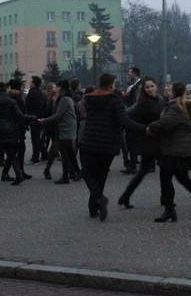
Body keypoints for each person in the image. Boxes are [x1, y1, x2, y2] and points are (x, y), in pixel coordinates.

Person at [146, 81, 191, 222]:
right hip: (184, 149)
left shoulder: (175, 108)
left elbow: (165, 123)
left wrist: (150, 128)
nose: (168, 92)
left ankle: (169, 210)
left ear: (173, 92)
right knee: (184, 179)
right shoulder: (187, 105)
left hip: (174, 149)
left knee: (166, 179)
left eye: (170, 90)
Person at [78, 72, 146, 221]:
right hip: (108, 143)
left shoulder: (89, 100)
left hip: (90, 141)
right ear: (110, 85)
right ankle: (95, 206)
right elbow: (125, 121)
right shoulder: (115, 101)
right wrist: (144, 128)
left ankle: (98, 201)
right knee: (101, 175)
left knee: (88, 173)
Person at [117, 77, 164, 208]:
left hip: (159, 140)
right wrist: (142, 129)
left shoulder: (160, 100)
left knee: (163, 170)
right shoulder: (142, 103)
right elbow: (127, 114)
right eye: (147, 87)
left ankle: (126, 196)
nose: (149, 89)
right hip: (148, 141)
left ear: (156, 86)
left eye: (151, 86)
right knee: (144, 171)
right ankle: (126, 195)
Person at [38, 79, 80, 184]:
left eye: (57, 87)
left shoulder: (64, 99)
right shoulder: (64, 98)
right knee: (69, 152)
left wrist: (44, 121)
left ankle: (66, 176)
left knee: (65, 152)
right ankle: (77, 172)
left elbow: (58, 115)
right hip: (65, 127)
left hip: (66, 128)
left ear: (61, 88)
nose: (56, 88)